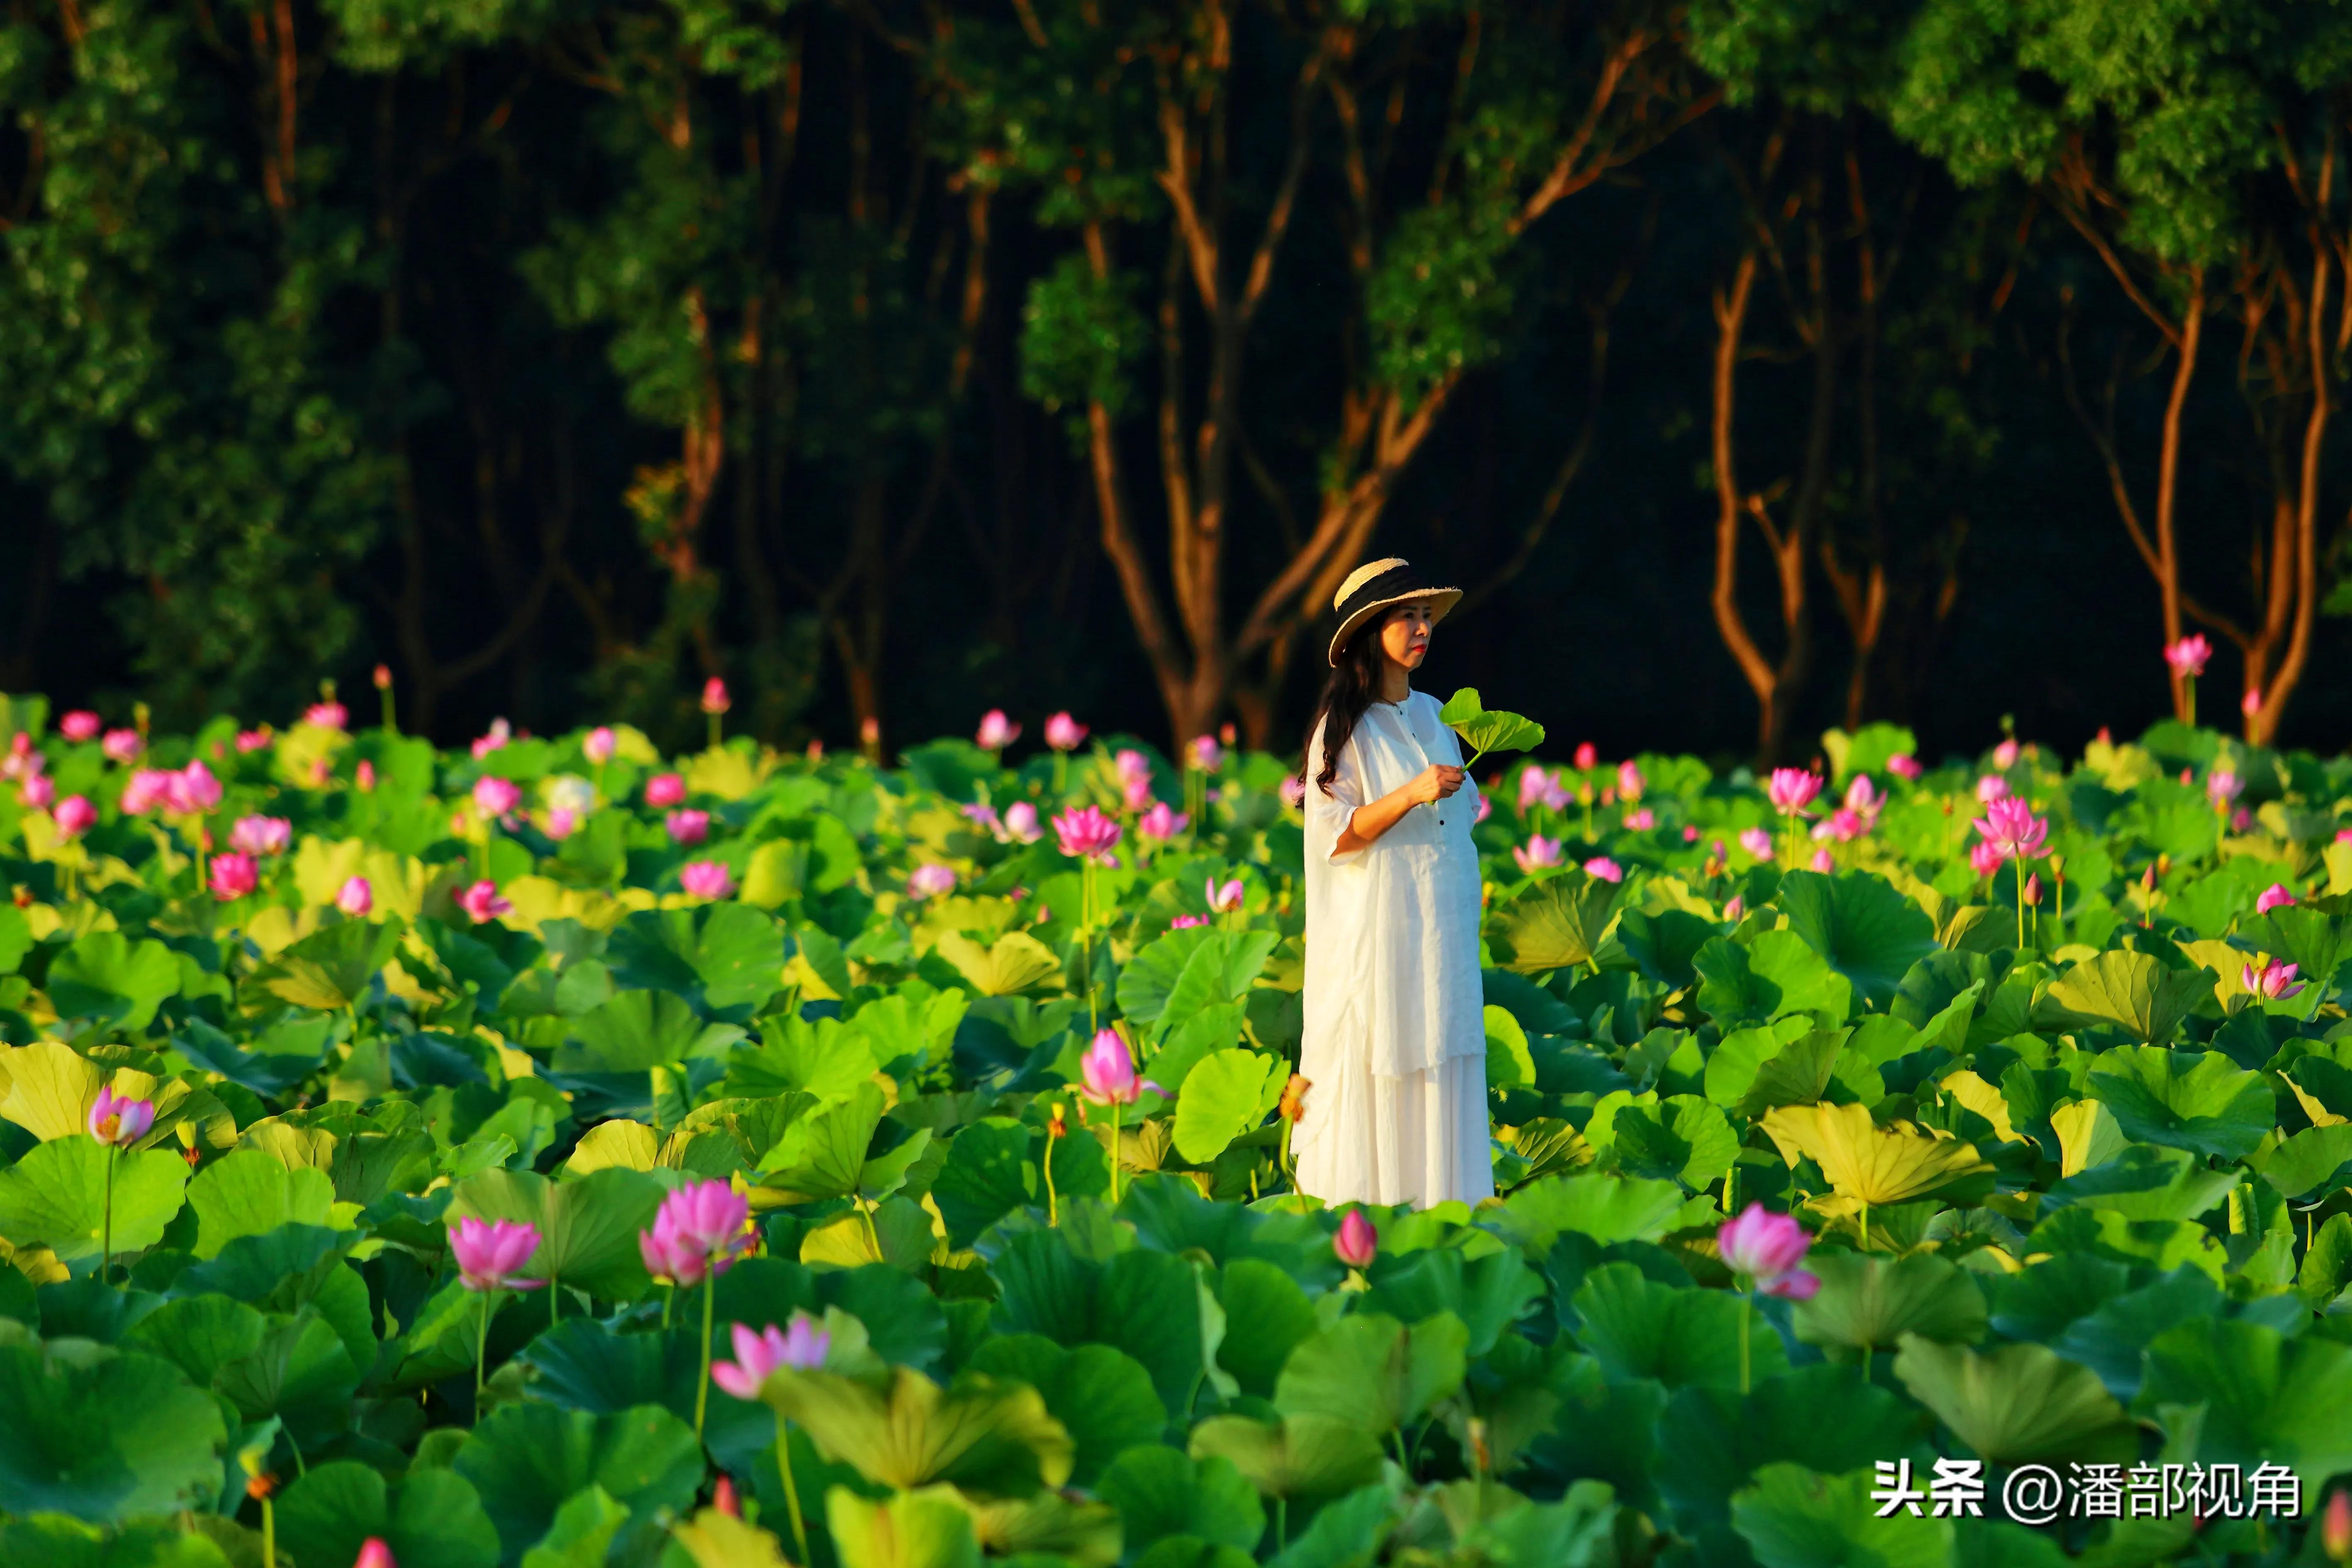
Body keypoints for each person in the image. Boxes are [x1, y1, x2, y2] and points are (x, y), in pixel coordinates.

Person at [1291, 557, 1494, 1210]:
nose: (1420, 628)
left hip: (1442, 934)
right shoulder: (1343, 727)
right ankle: (1371, 1222)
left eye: (1426, 616)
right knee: (1386, 1054)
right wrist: (1412, 793)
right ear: (1369, 630)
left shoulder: (1437, 715)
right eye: (1405, 616)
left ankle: (1444, 1219)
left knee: (1444, 1048)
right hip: (1381, 942)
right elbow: (1333, 835)